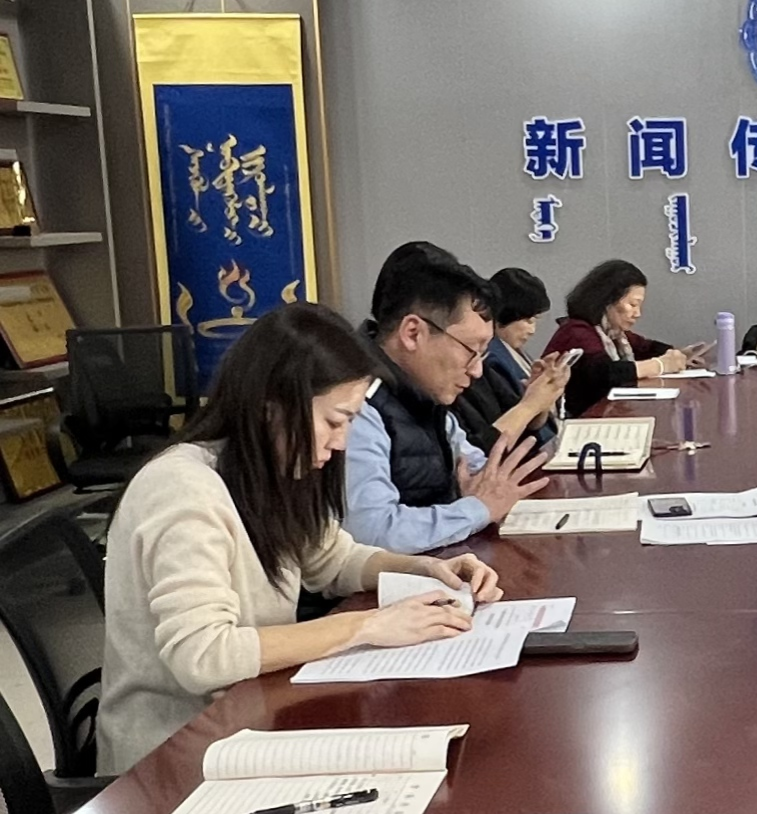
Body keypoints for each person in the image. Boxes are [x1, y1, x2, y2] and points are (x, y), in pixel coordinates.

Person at [98, 304, 506, 775]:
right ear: (273, 406)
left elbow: (334, 559)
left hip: (248, 721)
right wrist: (368, 626)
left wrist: (425, 569)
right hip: (169, 759)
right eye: (335, 421)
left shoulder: (268, 471)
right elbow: (204, 656)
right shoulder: (181, 488)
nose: (342, 442)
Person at [344, 243, 549, 554]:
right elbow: (371, 532)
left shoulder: (424, 396)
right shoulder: (355, 403)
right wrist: (475, 510)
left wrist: (478, 495)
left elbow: (482, 473)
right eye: (471, 351)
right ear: (413, 333)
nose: (477, 370)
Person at [545, 259, 704, 417]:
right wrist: (660, 365)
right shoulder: (577, 331)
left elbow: (645, 347)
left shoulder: (614, 334)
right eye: (633, 305)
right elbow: (605, 373)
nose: (637, 314)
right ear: (607, 301)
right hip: (573, 420)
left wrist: (678, 354)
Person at [451, 266, 568, 454]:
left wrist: (543, 396)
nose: (532, 330)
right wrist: (533, 403)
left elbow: (526, 426)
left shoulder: (506, 354)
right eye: (528, 320)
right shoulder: (494, 358)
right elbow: (482, 449)